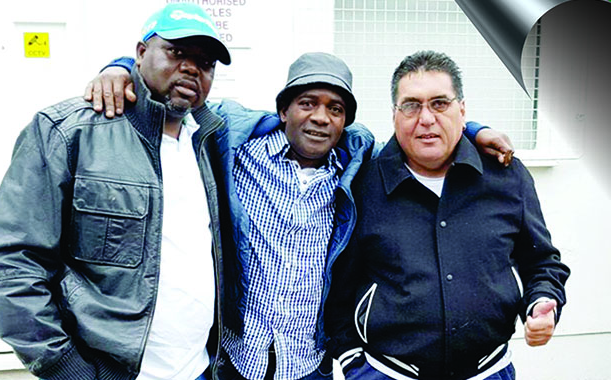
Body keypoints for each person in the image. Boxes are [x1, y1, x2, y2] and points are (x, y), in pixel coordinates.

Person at [84, 51, 514, 379]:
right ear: (284, 109)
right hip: (236, 358)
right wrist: (122, 67)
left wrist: (473, 129)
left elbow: (421, 126)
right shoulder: (235, 142)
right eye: (308, 103)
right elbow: (178, 90)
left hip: (309, 363)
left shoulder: (356, 160)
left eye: (336, 109)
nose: (321, 118)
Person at [0, 3, 232, 380]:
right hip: (109, 372)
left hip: (198, 369)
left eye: (205, 62)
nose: (192, 68)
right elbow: (7, 265)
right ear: (141, 53)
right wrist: (65, 367)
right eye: (176, 52)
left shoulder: (212, 140)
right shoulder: (68, 131)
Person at [324, 50, 570, 380]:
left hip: (489, 371)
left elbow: (542, 262)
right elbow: (337, 282)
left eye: (440, 103)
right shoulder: (364, 185)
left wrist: (542, 299)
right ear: (394, 115)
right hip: (385, 373)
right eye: (411, 105)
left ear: (462, 110)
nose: (426, 118)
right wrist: (353, 360)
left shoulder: (506, 176)